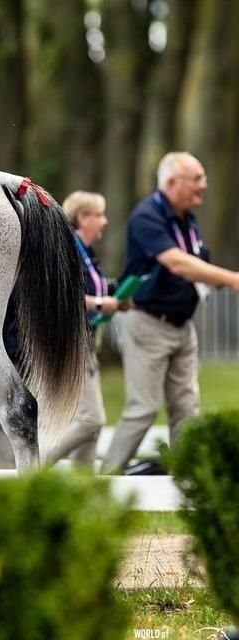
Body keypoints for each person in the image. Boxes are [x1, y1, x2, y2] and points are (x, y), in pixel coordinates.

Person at [101, 152, 239, 474]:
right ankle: (105, 481)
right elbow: (176, 262)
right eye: (198, 179)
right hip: (147, 323)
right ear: (172, 182)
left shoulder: (186, 219)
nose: (204, 185)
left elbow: (195, 265)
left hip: (182, 326)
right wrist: (231, 279)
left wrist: (211, 278)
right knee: (143, 409)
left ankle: (187, 480)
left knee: (187, 408)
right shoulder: (146, 216)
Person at [44, 191, 126, 468]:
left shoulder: (87, 253)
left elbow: (94, 290)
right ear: (83, 218)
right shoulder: (67, 249)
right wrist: (102, 304)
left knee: (92, 429)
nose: (104, 222)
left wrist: (117, 296)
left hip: (88, 341)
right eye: (99, 215)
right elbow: (61, 295)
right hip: (71, 342)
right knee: (91, 420)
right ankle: (35, 465)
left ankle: (84, 492)